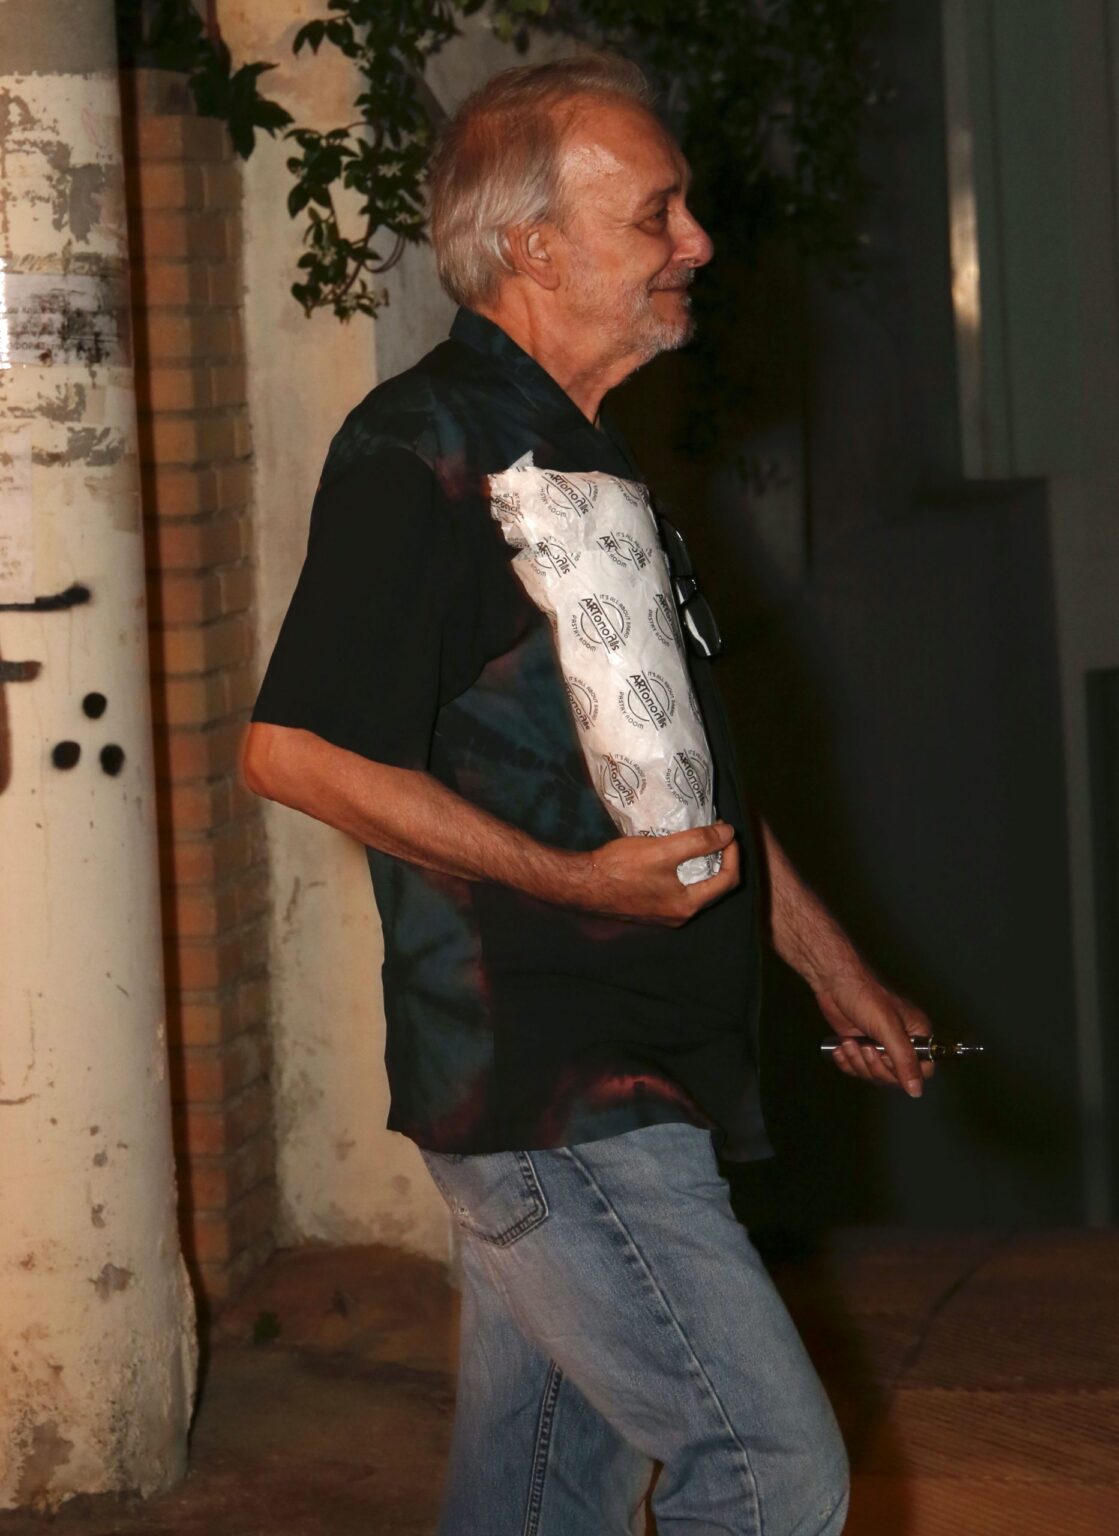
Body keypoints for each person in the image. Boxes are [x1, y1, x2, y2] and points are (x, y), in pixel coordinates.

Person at [244, 53, 933, 1536]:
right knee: (770, 1474)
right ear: (535, 249)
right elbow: (294, 751)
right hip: (553, 1080)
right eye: (656, 214)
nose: (698, 241)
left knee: (542, 1497)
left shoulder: (578, 453)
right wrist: (573, 882)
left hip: (627, 1067)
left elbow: (690, 778)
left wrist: (831, 964)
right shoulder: (418, 449)